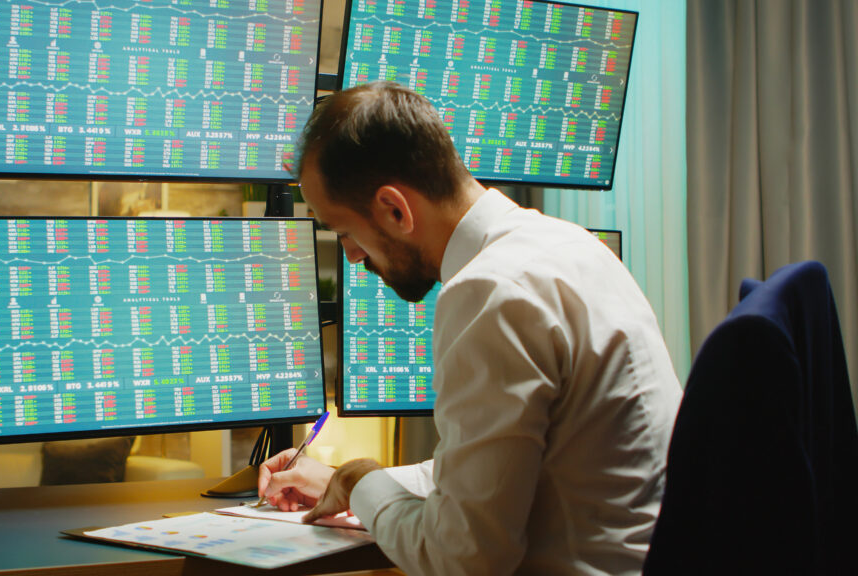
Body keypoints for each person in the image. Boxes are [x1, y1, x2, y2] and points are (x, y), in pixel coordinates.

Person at [258, 81, 683, 575]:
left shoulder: (489, 293)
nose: (352, 257)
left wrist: (361, 482)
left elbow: (462, 560)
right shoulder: (571, 246)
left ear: (396, 209)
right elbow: (499, 472)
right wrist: (344, 477)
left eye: (345, 232)